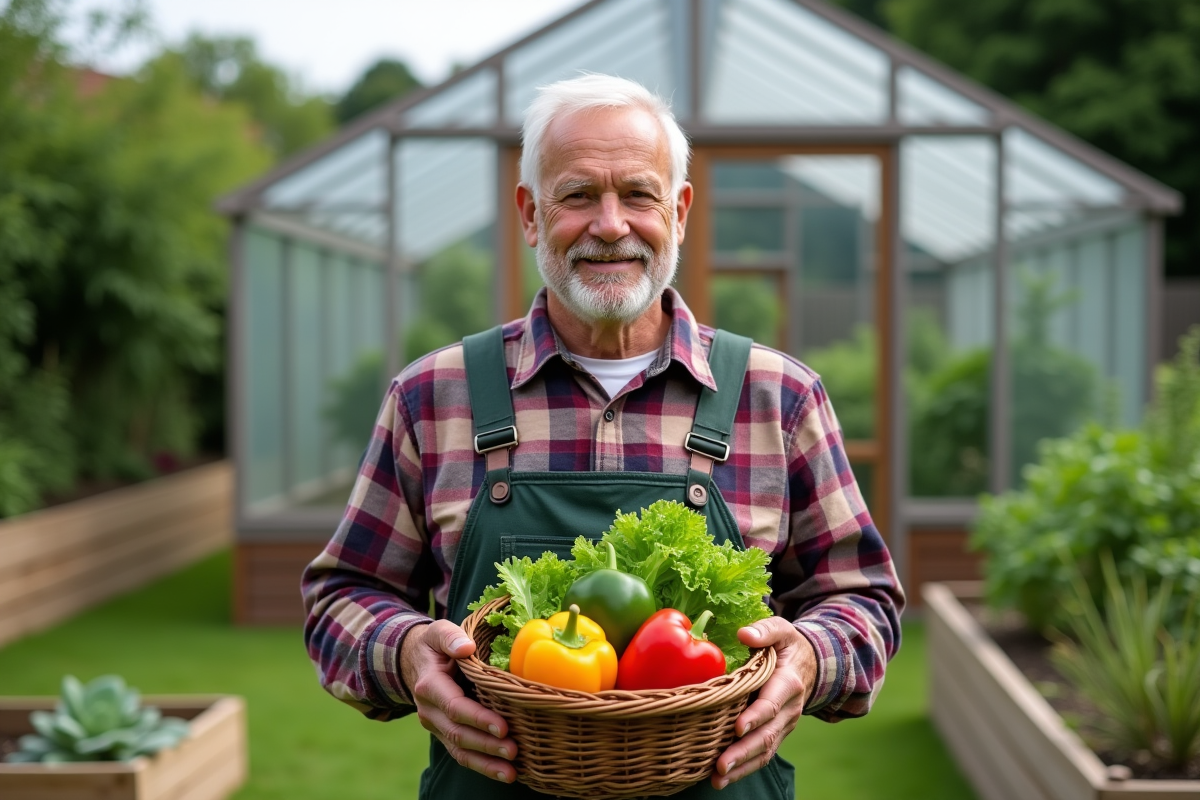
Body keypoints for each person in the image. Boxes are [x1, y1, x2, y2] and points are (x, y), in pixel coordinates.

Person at [301, 74, 904, 799]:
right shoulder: (435, 396)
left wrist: (811, 658)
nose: (611, 224)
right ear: (530, 214)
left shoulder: (777, 396)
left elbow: (864, 597)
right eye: (579, 195)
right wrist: (403, 655)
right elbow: (343, 594)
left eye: (639, 195)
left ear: (679, 212)